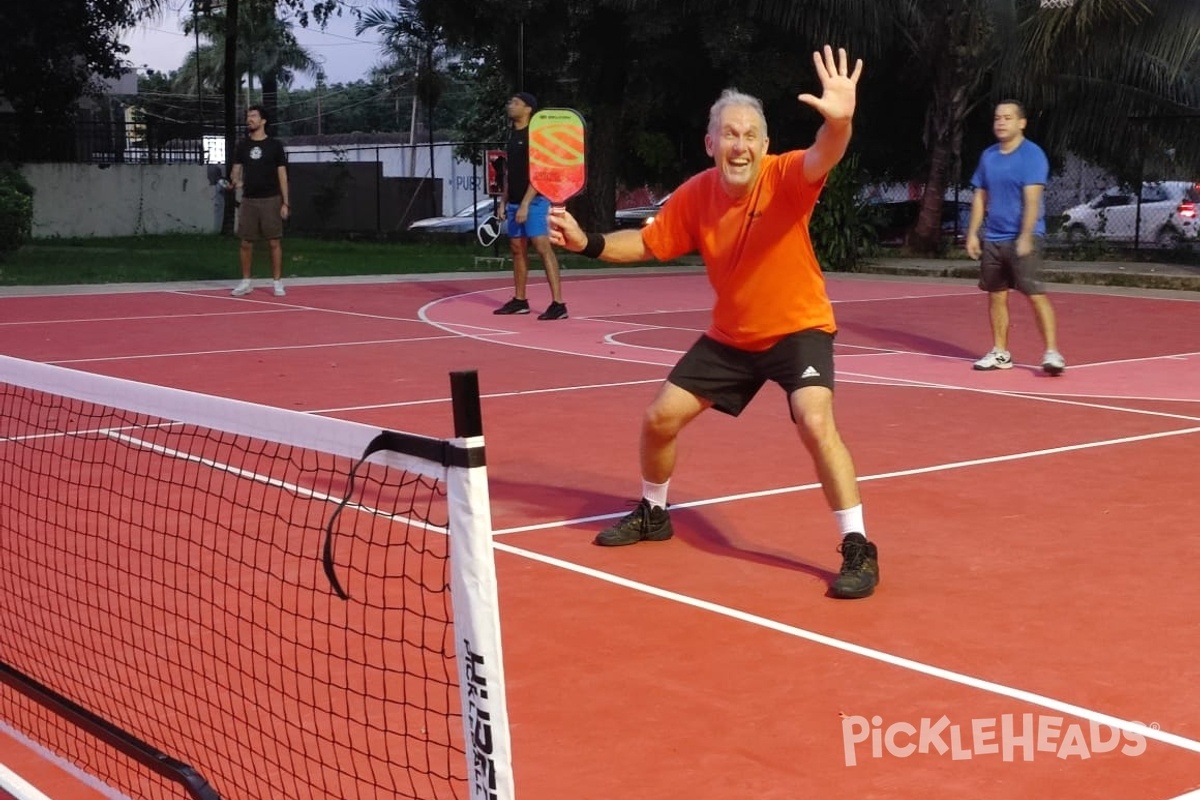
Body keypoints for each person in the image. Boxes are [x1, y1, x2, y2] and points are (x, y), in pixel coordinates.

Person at [548, 46, 878, 599]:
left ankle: (858, 546)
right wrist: (590, 243)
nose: (740, 144)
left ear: (765, 145)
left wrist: (840, 121)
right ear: (711, 143)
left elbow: (826, 151)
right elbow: (648, 243)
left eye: (750, 135)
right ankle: (654, 512)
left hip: (799, 328)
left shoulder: (788, 177)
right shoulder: (697, 194)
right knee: (659, 419)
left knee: (814, 420)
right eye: (729, 134)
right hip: (732, 336)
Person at [965, 100, 1065, 375]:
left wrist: (1025, 236)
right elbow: (980, 196)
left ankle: (1052, 353)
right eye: (997, 117)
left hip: (1023, 237)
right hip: (994, 238)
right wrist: (974, 233)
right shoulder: (988, 156)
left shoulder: (1032, 155)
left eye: (1008, 118)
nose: (1000, 122)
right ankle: (1000, 352)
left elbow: (1032, 199)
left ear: (1021, 123)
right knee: (996, 295)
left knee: (1035, 293)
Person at [493, 92, 568, 321]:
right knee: (517, 249)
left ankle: (558, 304)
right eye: (510, 102)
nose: (510, 105)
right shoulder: (511, 136)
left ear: (528, 109)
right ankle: (520, 300)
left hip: (534, 201)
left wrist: (525, 203)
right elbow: (509, 173)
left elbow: (540, 174)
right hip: (515, 202)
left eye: (516, 103)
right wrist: (503, 202)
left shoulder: (535, 137)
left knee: (542, 248)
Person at [228, 105, 290, 297]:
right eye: (248, 116)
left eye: (253, 116)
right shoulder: (242, 145)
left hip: (271, 199)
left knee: (274, 242)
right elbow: (236, 170)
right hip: (249, 200)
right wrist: (234, 181)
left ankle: (277, 282)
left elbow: (282, 174)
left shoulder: (275, 145)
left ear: (263, 121)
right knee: (246, 242)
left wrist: (285, 202)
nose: (249, 119)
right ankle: (246, 282)